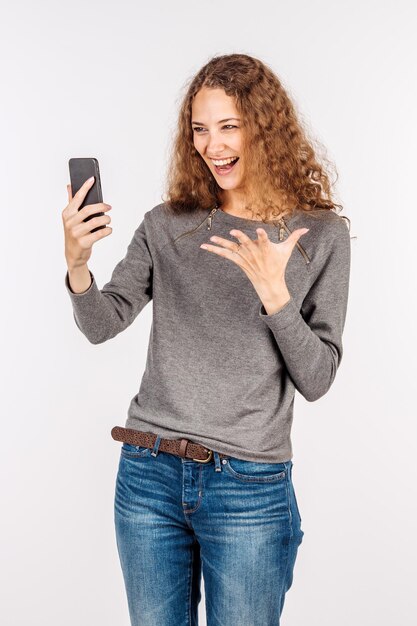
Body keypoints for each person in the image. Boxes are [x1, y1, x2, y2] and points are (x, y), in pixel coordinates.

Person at [62, 53, 351, 626]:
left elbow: (317, 379)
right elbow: (103, 323)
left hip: (248, 487)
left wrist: (275, 295)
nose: (212, 145)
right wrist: (77, 265)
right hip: (148, 476)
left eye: (229, 126)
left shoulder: (320, 235)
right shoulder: (169, 223)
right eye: (200, 128)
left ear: (263, 129)